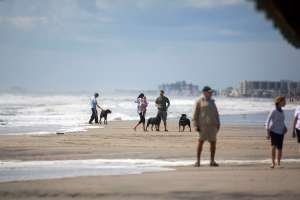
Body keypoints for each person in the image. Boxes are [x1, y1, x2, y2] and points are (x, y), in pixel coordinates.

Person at [192, 86, 220, 167]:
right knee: (200, 143)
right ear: (204, 92)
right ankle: (198, 161)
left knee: (213, 143)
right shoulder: (199, 101)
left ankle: (212, 161)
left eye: (211, 92)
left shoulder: (212, 101)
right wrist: (195, 125)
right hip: (202, 126)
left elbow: (216, 113)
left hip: (212, 126)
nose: (211, 93)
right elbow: (195, 114)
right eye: (209, 92)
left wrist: (218, 123)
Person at [266, 96, 288, 168]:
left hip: (281, 132)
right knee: (274, 147)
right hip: (274, 131)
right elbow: (268, 121)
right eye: (284, 101)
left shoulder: (282, 111)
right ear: (279, 102)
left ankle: (278, 163)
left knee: (280, 148)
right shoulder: (273, 110)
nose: (285, 103)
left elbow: (281, 121)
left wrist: (285, 127)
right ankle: (273, 163)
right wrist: (268, 132)